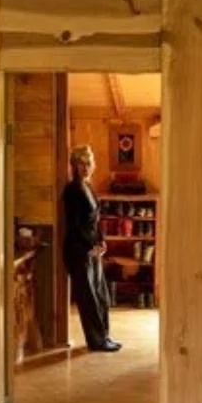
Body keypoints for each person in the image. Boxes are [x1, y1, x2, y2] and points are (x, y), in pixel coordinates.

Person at [62, 145, 121, 352]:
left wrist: (101, 241)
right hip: (79, 250)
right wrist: (91, 246)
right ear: (74, 165)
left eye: (88, 163)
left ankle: (104, 336)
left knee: (101, 294)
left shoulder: (88, 186)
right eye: (81, 163)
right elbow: (75, 225)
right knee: (89, 299)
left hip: (92, 248)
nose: (85, 167)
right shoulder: (72, 190)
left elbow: (95, 220)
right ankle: (97, 342)